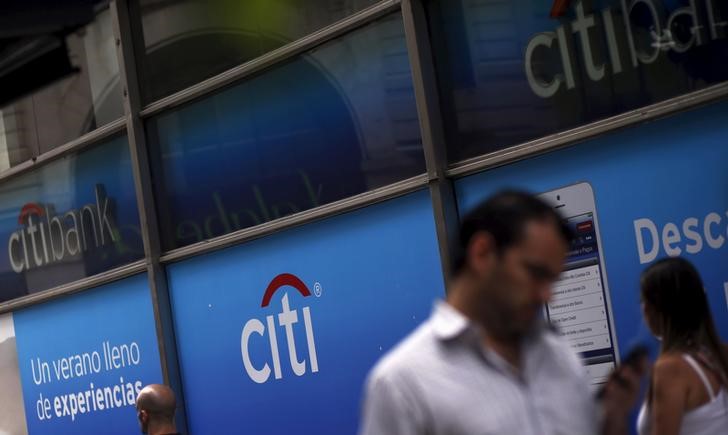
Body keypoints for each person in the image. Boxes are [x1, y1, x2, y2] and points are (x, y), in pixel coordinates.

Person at [359, 190, 643, 435]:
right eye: (535, 274)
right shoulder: (403, 382)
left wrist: (614, 421)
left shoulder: (559, 356)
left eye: (552, 281)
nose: (546, 295)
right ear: (482, 253)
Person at [637, 257, 728, 434]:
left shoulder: (669, 369)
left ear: (655, 308)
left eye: (644, 300)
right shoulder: (722, 354)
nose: (643, 308)